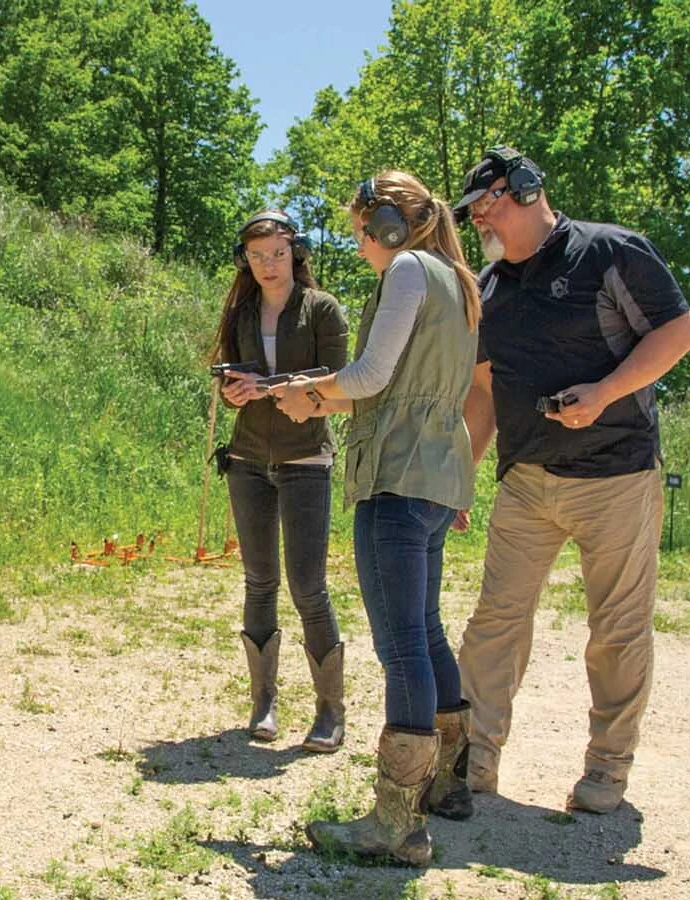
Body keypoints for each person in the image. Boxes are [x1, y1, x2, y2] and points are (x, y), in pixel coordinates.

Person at [449, 146, 690, 814]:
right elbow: (482, 393)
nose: (479, 220)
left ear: (528, 188)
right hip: (526, 481)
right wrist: (459, 478)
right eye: (471, 212)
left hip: (616, 476)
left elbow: (679, 332)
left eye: (487, 204)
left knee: (616, 630)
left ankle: (607, 771)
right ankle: (471, 763)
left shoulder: (611, 252)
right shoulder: (490, 288)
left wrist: (608, 390)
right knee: (494, 625)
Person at [270, 171, 481, 866]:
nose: (358, 243)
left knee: (401, 648)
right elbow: (397, 391)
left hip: (397, 477)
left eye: (361, 230)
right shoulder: (455, 276)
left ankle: (396, 824)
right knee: (424, 629)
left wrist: (305, 388)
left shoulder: (410, 271)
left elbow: (367, 376)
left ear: (388, 224)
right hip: (435, 474)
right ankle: (448, 786)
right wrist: (314, 400)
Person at [211, 209, 350, 753]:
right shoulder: (241, 311)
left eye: (276, 253)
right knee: (259, 580)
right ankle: (263, 703)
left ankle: (330, 711)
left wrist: (264, 387)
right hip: (246, 458)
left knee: (308, 586)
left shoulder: (323, 309)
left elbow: (335, 384)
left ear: (296, 252)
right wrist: (233, 391)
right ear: (245, 260)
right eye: (256, 255)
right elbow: (232, 378)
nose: (268, 264)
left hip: (305, 459)